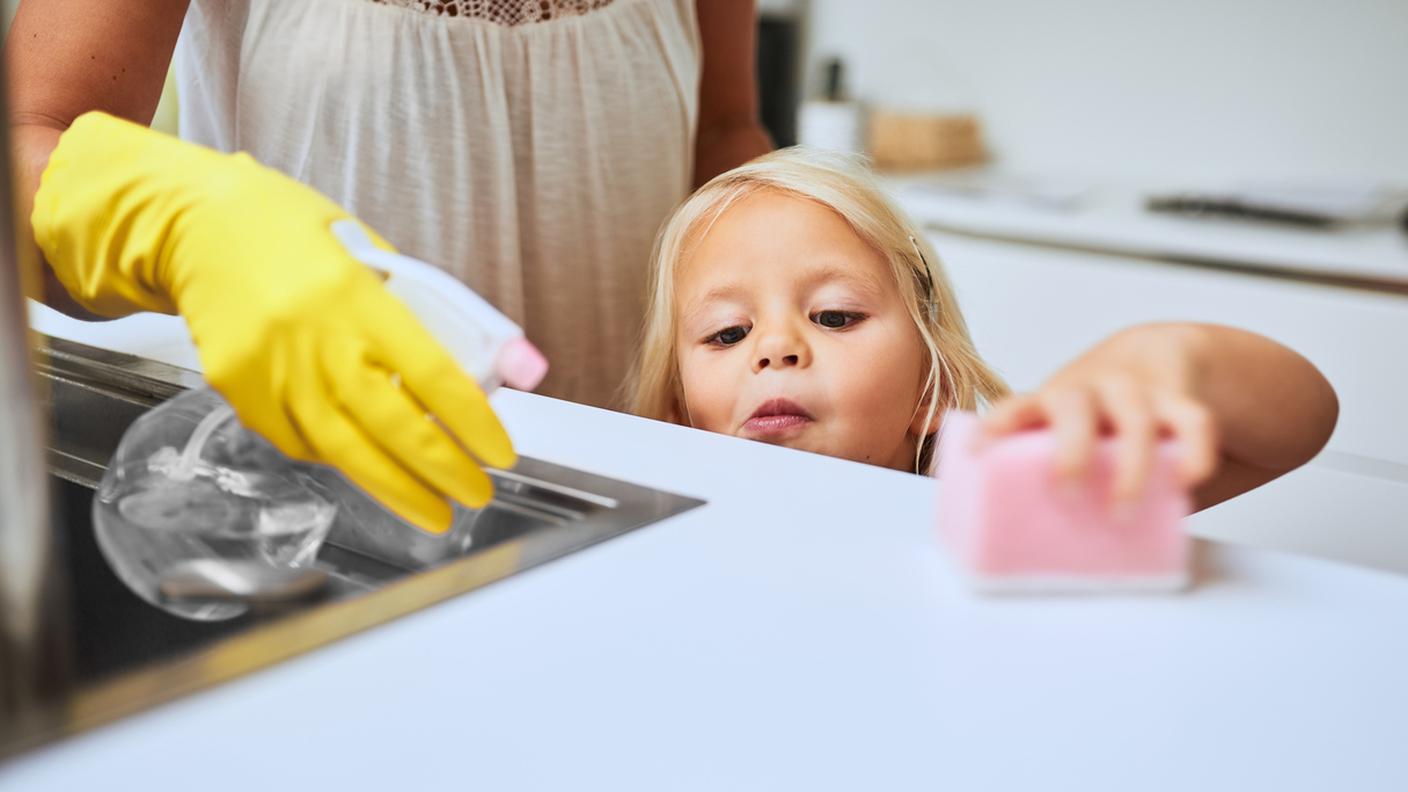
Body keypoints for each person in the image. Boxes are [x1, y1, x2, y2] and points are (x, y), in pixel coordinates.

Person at [6, 0, 772, 533]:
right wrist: (173, 220)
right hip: (314, 520)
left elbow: (723, 129)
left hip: (644, 507)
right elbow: (27, 138)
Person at [628, 148, 1339, 510]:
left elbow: (1301, 421)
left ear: (928, 390)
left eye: (835, 315)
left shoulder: (994, 493)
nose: (775, 347)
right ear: (678, 413)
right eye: (727, 333)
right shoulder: (658, 524)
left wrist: (1164, 357)